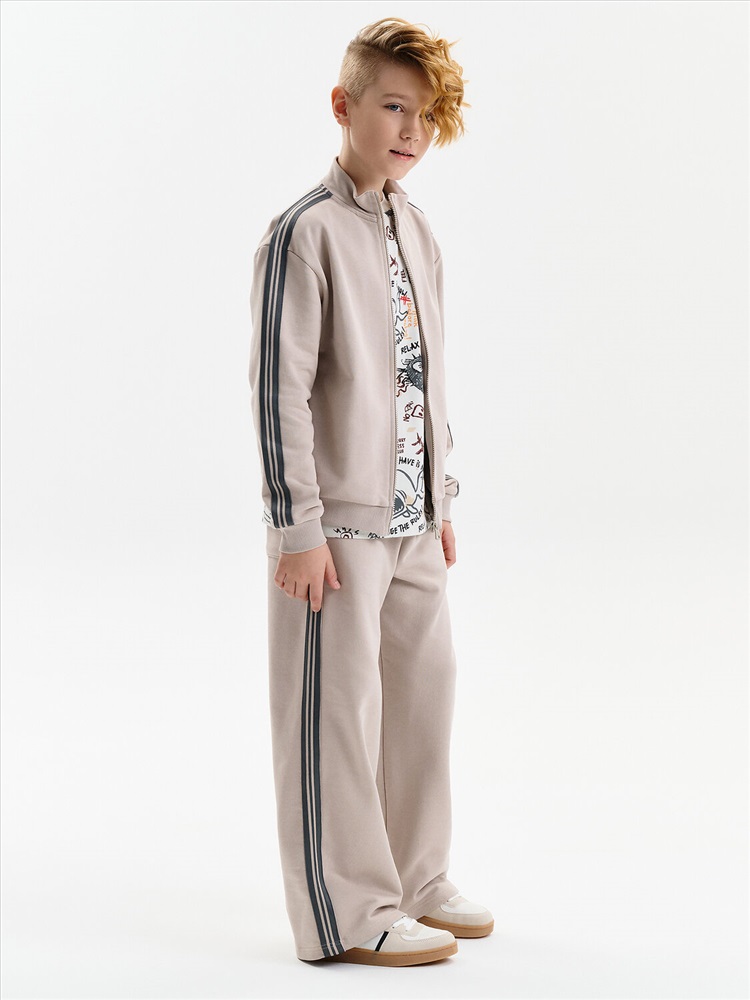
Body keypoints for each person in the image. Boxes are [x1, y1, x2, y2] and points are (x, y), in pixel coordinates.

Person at [248, 16, 493, 967]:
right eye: (393, 107)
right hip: (336, 532)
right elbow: (279, 392)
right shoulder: (302, 233)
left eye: (425, 115)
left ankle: (416, 878)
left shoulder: (416, 229)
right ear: (343, 106)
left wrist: (440, 501)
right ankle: (348, 911)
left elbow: (425, 377)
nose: (411, 130)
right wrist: (295, 528)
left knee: (425, 701)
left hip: (414, 524)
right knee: (334, 718)